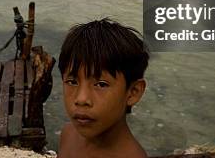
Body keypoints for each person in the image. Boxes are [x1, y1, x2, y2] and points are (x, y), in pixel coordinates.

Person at [57, 18, 149, 158]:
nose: (81, 99)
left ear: (133, 92)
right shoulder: (69, 135)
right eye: (72, 82)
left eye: (101, 84)